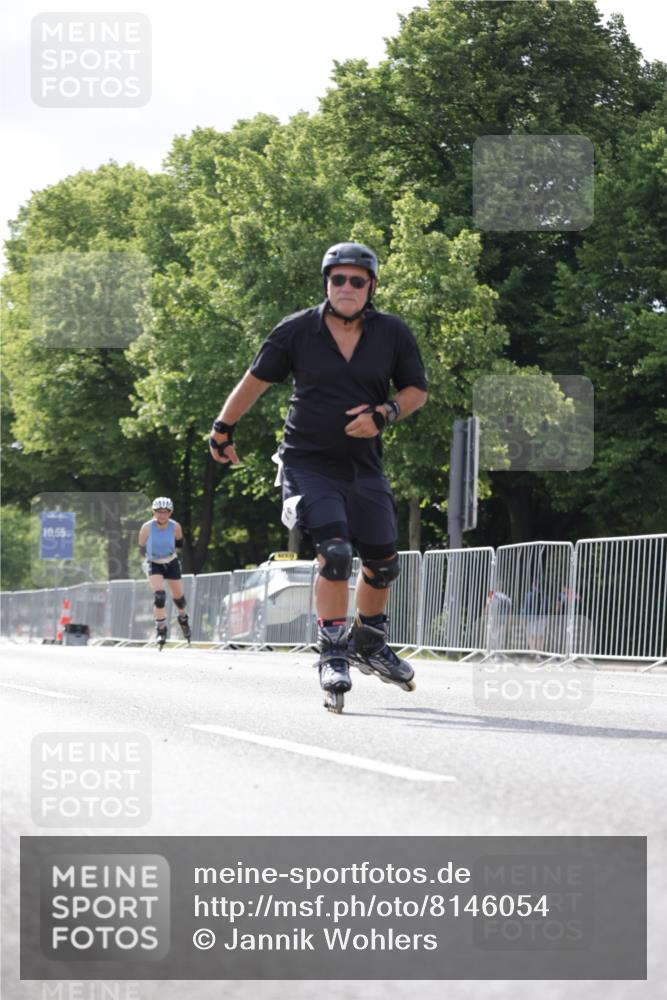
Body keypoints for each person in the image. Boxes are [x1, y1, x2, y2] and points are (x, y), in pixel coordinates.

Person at [209, 241, 428, 700]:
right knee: (335, 550)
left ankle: (369, 642)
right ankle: (332, 652)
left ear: (371, 287)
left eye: (357, 280)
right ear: (327, 283)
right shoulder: (297, 330)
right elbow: (255, 381)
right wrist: (222, 429)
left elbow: (416, 391)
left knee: (384, 565)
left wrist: (384, 413)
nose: (346, 287)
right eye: (338, 279)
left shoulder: (392, 333)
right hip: (307, 463)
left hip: (364, 467)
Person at [138, 497, 191, 646]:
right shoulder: (147, 527)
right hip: (153, 562)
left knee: (179, 598)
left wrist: (168, 555)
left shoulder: (175, 527)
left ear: (170, 512)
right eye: (159, 512)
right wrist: (153, 558)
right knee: (159, 596)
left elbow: (180, 543)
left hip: (171, 561)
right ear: (153, 512)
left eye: (165, 512)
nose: (162, 515)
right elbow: (141, 546)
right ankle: (161, 629)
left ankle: (183, 619)